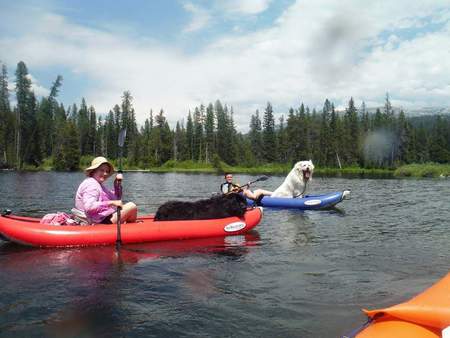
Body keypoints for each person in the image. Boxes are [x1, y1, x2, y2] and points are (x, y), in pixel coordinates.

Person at [75, 156, 137, 224]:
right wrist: (110, 203)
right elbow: (89, 207)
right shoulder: (91, 185)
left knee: (129, 208)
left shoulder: (98, 184)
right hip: (96, 221)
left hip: (101, 218)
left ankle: (130, 228)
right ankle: (132, 230)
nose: (105, 174)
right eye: (102, 170)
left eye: (107, 171)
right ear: (94, 171)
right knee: (132, 206)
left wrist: (116, 185)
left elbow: (117, 199)